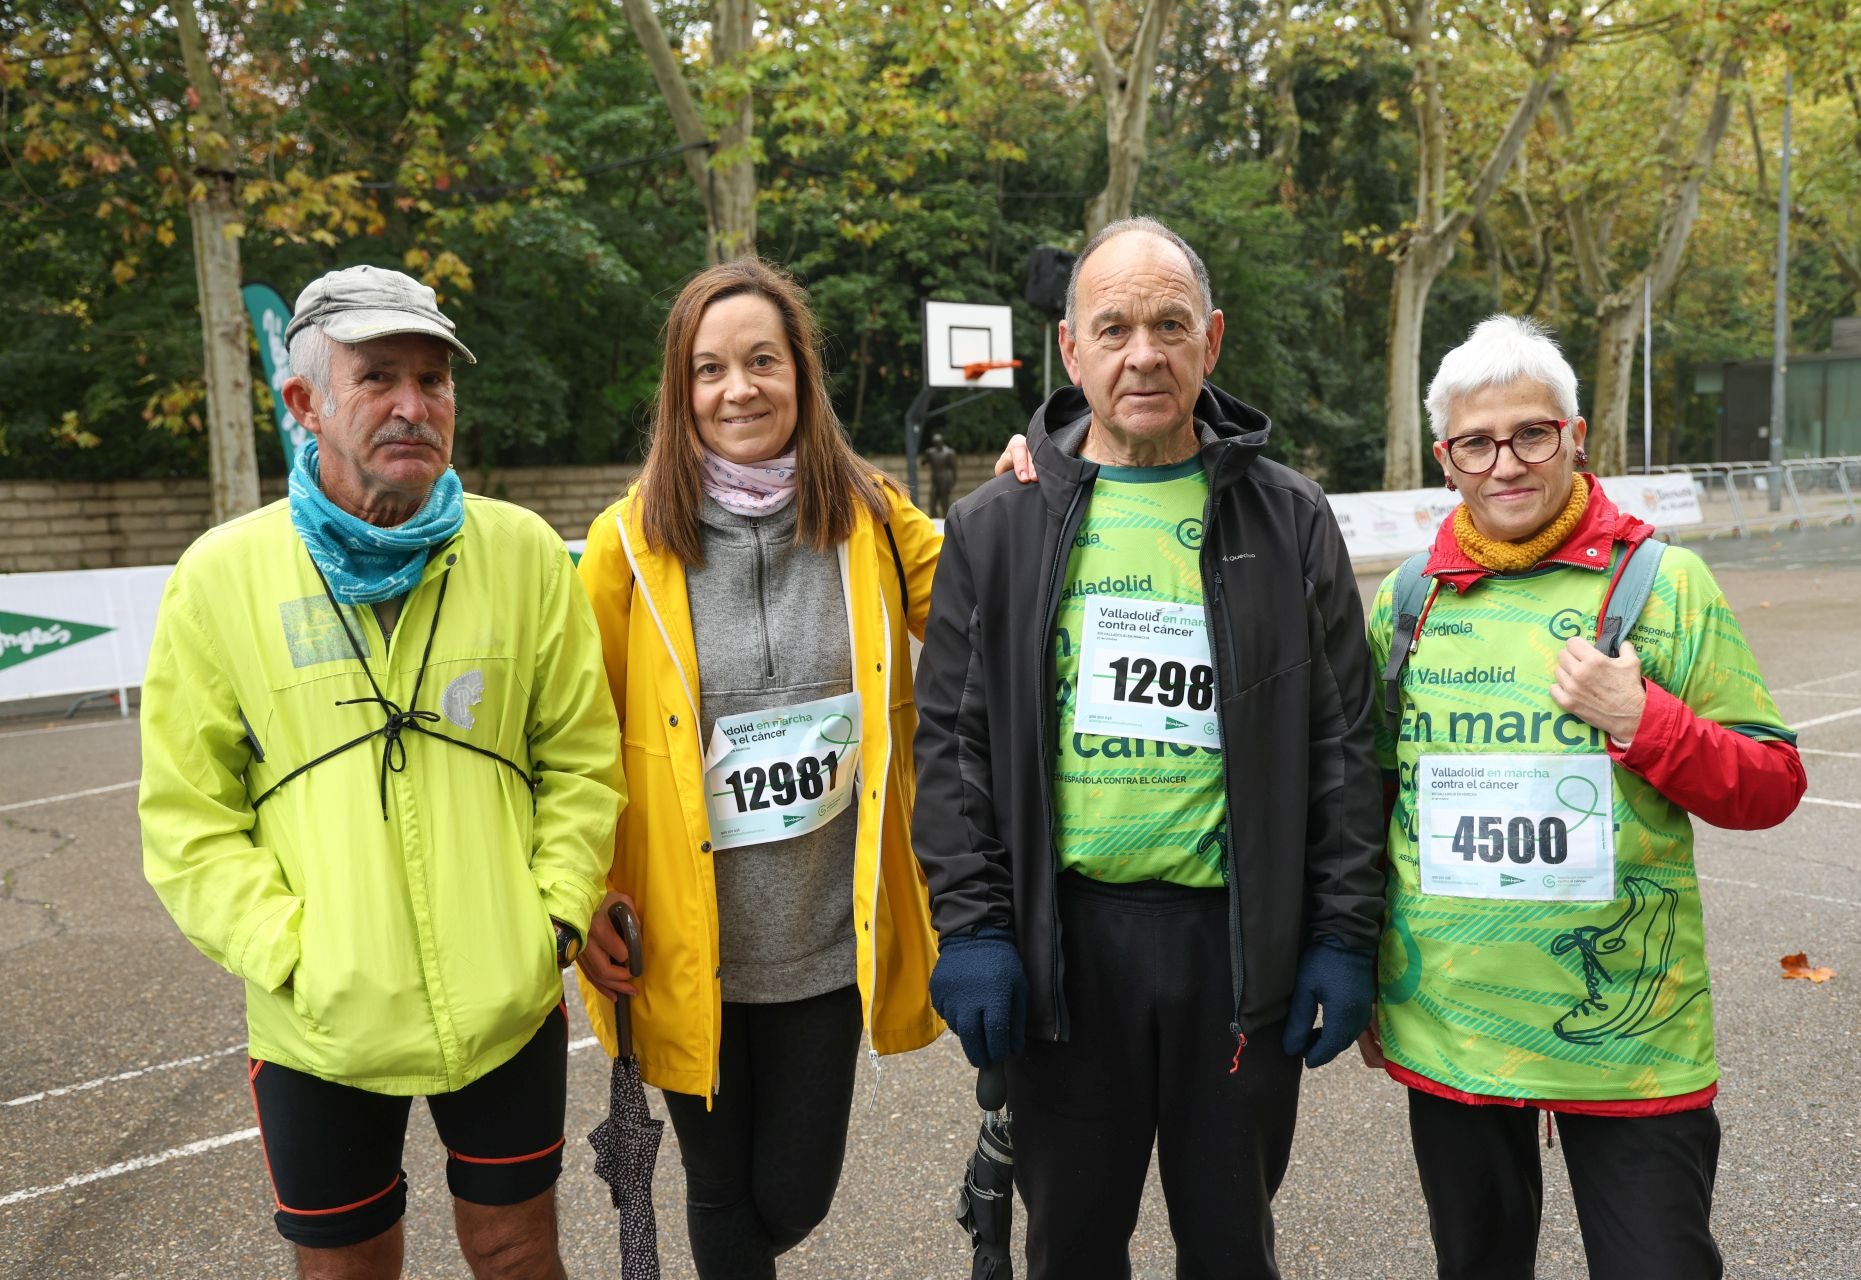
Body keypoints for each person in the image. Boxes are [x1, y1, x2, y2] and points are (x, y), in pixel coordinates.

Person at [911, 216, 1386, 1278]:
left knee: (1231, 1247)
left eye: (1170, 325)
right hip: (1066, 956)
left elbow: (1343, 744)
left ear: (1211, 341)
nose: (1143, 353)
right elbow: (950, 743)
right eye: (1113, 326)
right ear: (1070, 351)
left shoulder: (1291, 516)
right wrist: (976, 925)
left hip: (1236, 954)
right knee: (1072, 1249)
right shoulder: (996, 525)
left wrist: (1343, 934)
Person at [139, 265, 625, 1279]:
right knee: (349, 1267)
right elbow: (189, 819)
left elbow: (580, 757)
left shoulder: (527, 553)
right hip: (319, 1024)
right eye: (378, 377)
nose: (414, 404)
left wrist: (552, 918)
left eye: (433, 378)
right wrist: (291, 952)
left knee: (515, 1250)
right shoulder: (220, 577)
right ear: (304, 400)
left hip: (507, 1000)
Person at [1359, 315, 1806, 1280]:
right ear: (1446, 460)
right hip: (1455, 1028)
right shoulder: (1405, 601)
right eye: (1476, 443)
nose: (1506, 464)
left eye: (1532, 434)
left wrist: (1643, 720)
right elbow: (1366, 800)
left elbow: (1771, 783)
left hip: (1632, 1041)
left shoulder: (1665, 585)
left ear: (1576, 436)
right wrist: (1356, 966)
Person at [573, 258, 944, 1279]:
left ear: (801, 374)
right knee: (718, 1186)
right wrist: (585, 896)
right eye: (710, 368)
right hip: (687, 947)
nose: (738, 388)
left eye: (762, 361)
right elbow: (573, 737)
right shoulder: (624, 544)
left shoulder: (869, 513)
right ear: (679, 389)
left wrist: (1039, 469)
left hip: (826, 939)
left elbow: (981, 594)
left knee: (791, 1191)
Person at [923, 431, 959, 517]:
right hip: (935, 477)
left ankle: (945, 517)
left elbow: (954, 469)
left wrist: (953, 482)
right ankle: (934, 517)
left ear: (941, 442)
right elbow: (924, 462)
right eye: (935, 443)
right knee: (932, 499)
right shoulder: (931, 452)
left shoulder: (949, 453)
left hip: (945, 477)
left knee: (944, 500)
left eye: (938, 442)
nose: (937, 444)